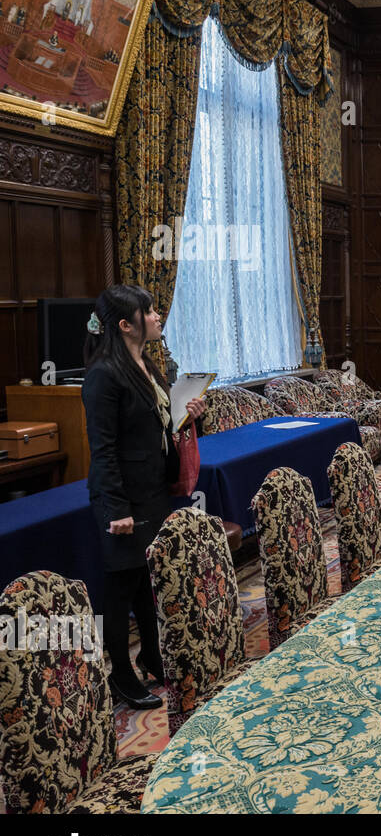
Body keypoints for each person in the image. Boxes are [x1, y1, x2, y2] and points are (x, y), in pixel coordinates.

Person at [81, 286, 205, 709]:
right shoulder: (104, 375)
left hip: (151, 490)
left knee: (145, 585)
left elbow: (160, 425)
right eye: (148, 311)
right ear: (125, 324)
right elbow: (104, 450)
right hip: (122, 501)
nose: (156, 316)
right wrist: (117, 510)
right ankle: (120, 675)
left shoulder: (145, 364)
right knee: (120, 591)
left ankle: (152, 657)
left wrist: (190, 415)